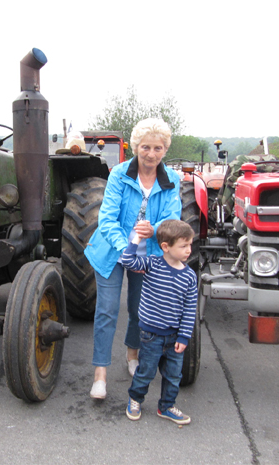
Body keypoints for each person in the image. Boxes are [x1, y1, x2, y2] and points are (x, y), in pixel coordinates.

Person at [84, 118, 182, 400]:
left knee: (139, 310)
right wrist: (124, 247)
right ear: (136, 147)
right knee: (106, 310)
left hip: (148, 252)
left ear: (165, 150)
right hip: (112, 250)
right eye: (146, 148)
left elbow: (172, 217)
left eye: (158, 148)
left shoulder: (172, 179)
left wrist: (155, 231)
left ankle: (132, 354)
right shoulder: (118, 173)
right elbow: (107, 217)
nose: (151, 154)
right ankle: (100, 374)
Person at [122, 219, 197, 424]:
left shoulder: (189, 277)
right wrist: (137, 238)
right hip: (151, 335)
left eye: (189, 244)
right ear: (165, 247)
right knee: (145, 372)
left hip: (174, 337)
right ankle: (135, 399)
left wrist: (184, 335)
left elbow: (190, 309)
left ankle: (166, 406)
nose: (188, 250)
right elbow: (128, 261)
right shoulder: (152, 264)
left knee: (173, 376)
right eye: (183, 246)